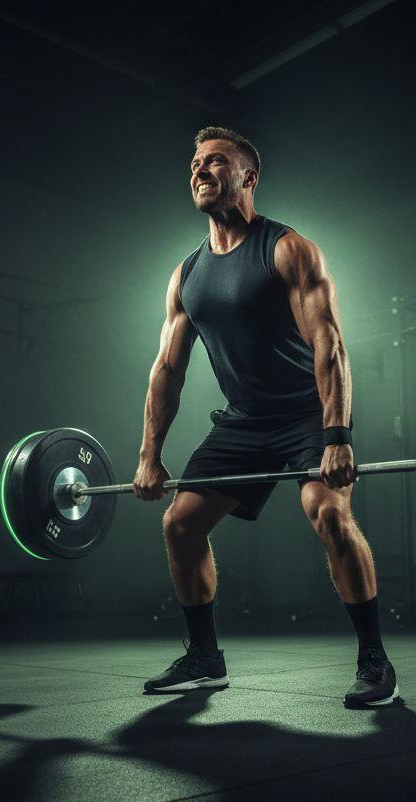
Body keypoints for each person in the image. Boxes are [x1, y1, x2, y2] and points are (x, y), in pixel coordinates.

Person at [133, 126, 397, 709]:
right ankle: (205, 659)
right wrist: (150, 454)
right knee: (180, 524)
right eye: (195, 163)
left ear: (248, 177)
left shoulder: (288, 248)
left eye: (215, 162)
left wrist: (337, 436)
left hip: (307, 412)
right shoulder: (187, 274)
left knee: (327, 513)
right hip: (244, 422)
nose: (200, 170)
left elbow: (329, 344)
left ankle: (375, 659)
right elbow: (167, 370)